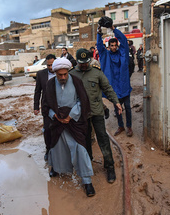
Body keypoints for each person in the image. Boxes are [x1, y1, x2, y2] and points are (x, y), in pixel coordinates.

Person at [42, 58, 95, 197]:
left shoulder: (76, 82)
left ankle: (87, 181)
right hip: (57, 122)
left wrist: (70, 116)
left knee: (80, 149)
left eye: (65, 74)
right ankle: (56, 168)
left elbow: (82, 101)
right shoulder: (49, 84)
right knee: (56, 146)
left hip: (74, 122)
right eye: (60, 75)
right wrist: (55, 116)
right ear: (55, 73)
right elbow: (46, 104)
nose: (63, 77)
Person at [70, 48, 122, 183]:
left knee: (103, 139)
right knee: (85, 140)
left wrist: (116, 102)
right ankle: (88, 165)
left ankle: (109, 166)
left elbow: (108, 88)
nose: (83, 65)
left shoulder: (96, 73)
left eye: (85, 62)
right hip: (81, 115)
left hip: (96, 112)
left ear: (89, 60)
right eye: (81, 63)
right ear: (77, 61)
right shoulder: (72, 74)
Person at [97, 25, 133, 137]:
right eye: (111, 45)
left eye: (115, 45)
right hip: (113, 88)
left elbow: (123, 40)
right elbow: (99, 46)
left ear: (117, 46)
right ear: (108, 46)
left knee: (127, 107)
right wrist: (99, 33)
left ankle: (129, 126)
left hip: (124, 86)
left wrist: (114, 29)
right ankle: (121, 126)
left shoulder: (123, 54)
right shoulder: (105, 55)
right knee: (118, 108)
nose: (113, 47)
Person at [34, 54, 56, 161]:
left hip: (59, 107)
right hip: (46, 107)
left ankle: (59, 151)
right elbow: (37, 91)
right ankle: (48, 149)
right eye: (48, 65)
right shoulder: (41, 74)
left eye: (52, 65)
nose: (50, 67)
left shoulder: (62, 73)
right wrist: (36, 106)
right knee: (47, 130)